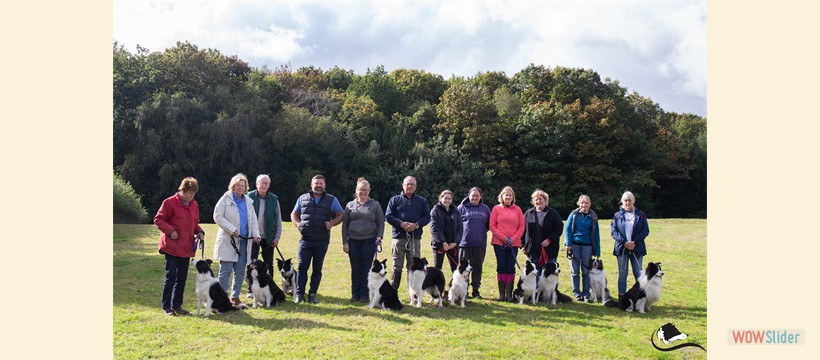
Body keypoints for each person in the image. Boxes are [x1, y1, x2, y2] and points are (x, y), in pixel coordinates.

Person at [153, 177, 205, 316]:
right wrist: (171, 231)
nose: (191, 196)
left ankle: (177, 305)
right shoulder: (169, 202)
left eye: (193, 193)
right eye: (189, 193)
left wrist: (199, 231)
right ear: (182, 190)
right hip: (172, 246)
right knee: (171, 276)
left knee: (182, 278)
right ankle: (166, 306)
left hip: (186, 247)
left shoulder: (194, 205)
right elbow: (158, 219)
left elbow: (194, 224)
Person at [290, 174, 344, 304]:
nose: (318, 185)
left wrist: (332, 223)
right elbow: (294, 214)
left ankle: (312, 294)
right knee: (302, 267)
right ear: (311, 185)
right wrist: (298, 225)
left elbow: (341, 214)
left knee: (317, 269)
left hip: (322, 240)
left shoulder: (332, 199)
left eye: (321, 183)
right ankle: (299, 294)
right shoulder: (302, 198)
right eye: (316, 183)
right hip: (305, 240)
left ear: (324, 185)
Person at [213, 173, 261, 306]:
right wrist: (232, 229)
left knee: (240, 271)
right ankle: (221, 298)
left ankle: (235, 297)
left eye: (243, 185)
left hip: (245, 241)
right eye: (238, 185)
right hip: (229, 241)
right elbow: (217, 216)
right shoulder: (225, 199)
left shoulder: (248, 202)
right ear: (233, 186)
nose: (240, 188)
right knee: (226, 270)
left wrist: (256, 234)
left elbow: (253, 221)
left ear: (246, 187)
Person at [341, 178, 385, 302]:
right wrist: (345, 242)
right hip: (353, 241)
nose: (363, 192)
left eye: (366, 190)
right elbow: (344, 225)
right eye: (361, 189)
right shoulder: (350, 205)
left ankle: (364, 295)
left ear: (369, 190)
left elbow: (381, 222)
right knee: (355, 268)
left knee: (365, 268)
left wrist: (379, 236)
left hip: (369, 241)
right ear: (356, 190)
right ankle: (355, 294)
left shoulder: (375, 205)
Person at [384, 176, 431, 292]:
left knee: (414, 266)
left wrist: (416, 225)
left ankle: (414, 294)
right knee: (396, 265)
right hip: (399, 238)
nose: (409, 186)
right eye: (407, 184)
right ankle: (392, 293)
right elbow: (388, 216)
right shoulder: (394, 200)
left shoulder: (422, 201)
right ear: (403, 185)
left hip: (415, 238)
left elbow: (427, 217)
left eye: (412, 184)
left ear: (416, 187)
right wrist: (401, 224)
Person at [246, 174, 282, 298]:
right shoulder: (248, 197)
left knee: (268, 264)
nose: (264, 185)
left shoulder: (274, 199)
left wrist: (276, 238)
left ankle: (269, 288)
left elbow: (278, 221)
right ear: (256, 184)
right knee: (251, 263)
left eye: (267, 183)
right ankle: (251, 289)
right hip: (253, 237)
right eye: (262, 182)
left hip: (269, 237)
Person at [611, 191, 650, 300]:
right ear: (622, 202)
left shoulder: (641, 215)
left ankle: (640, 298)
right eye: (625, 200)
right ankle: (622, 298)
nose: (627, 202)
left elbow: (645, 230)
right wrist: (624, 242)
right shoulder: (617, 216)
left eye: (630, 200)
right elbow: (614, 232)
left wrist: (634, 242)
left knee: (638, 274)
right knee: (623, 274)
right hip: (622, 249)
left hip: (637, 248)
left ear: (633, 201)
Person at [489, 186, 525, 301]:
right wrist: (503, 238)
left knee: (510, 267)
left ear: (513, 197)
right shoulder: (496, 209)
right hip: (499, 243)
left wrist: (513, 239)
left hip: (513, 244)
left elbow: (522, 226)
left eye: (510, 195)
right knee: (501, 266)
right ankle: (501, 294)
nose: (508, 197)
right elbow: (492, 225)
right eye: (506, 195)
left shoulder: (518, 210)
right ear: (502, 197)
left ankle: (509, 294)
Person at [564, 194, 601, 302]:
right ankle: (577, 293)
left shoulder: (593, 217)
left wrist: (597, 251)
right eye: (582, 203)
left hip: (587, 247)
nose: (584, 205)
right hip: (574, 245)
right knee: (574, 271)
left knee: (586, 271)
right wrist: (568, 245)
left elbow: (596, 235)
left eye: (586, 203)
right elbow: (567, 229)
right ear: (579, 204)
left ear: (590, 204)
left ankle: (586, 293)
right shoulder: (574, 214)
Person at [457, 187, 491, 299]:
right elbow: (456, 224)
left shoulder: (485, 209)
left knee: (477, 268)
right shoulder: (461, 208)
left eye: (477, 196)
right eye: (473, 195)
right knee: (464, 268)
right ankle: (463, 291)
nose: (475, 198)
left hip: (479, 243)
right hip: (464, 244)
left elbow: (488, 226)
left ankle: (476, 291)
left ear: (480, 197)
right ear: (469, 196)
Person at [521, 190, 563, 272]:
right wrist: (522, 245)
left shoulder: (553, 213)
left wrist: (549, 240)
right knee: (534, 276)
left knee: (549, 277)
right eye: (536, 199)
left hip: (549, 251)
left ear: (545, 200)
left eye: (540, 199)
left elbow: (559, 229)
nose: (538, 201)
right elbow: (522, 229)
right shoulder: (528, 213)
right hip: (532, 251)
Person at [429, 190, 462, 275]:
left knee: (456, 269)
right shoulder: (435, 210)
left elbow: (460, 228)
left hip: (452, 245)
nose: (447, 200)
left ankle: (455, 287)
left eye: (449, 198)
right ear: (441, 198)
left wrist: (455, 242)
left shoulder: (455, 210)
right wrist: (443, 242)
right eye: (445, 198)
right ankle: (436, 288)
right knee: (437, 269)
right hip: (439, 245)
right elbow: (434, 228)